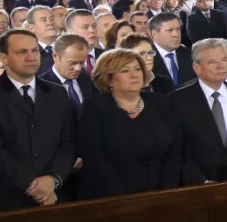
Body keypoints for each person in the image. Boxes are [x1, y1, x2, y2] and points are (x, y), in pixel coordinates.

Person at [0, 29, 75, 212]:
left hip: (55, 196)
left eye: (35, 51)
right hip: (6, 201)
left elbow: (68, 143)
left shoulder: (57, 93)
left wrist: (52, 179)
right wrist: (31, 184)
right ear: (4, 58)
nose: (31, 57)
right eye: (22, 52)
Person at [77, 48, 183, 199]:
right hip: (110, 196)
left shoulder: (160, 102)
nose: (134, 75)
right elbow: (94, 157)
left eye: (138, 69)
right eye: (125, 71)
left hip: (160, 193)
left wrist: (166, 190)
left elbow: (175, 149)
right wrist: (122, 198)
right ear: (109, 78)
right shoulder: (94, 107)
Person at [170, 38, 227, 184]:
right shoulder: (178, 101)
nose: (222, 66)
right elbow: (179, 150)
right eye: (213, 62)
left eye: (224, 59)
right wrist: (202, 181)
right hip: (198, 188)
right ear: (196, 68)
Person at [38, 32, 97, 113]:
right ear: (55, 56)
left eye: (82, 63)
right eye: (72, 63)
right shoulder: (41, 86)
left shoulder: (86, 80)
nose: (78, 68)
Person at [148, 12, 195, 95]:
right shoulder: (146, 57)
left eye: (178, 29)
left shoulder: (190, 54)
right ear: (154, 34)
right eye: (170, 30)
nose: (176, 34)